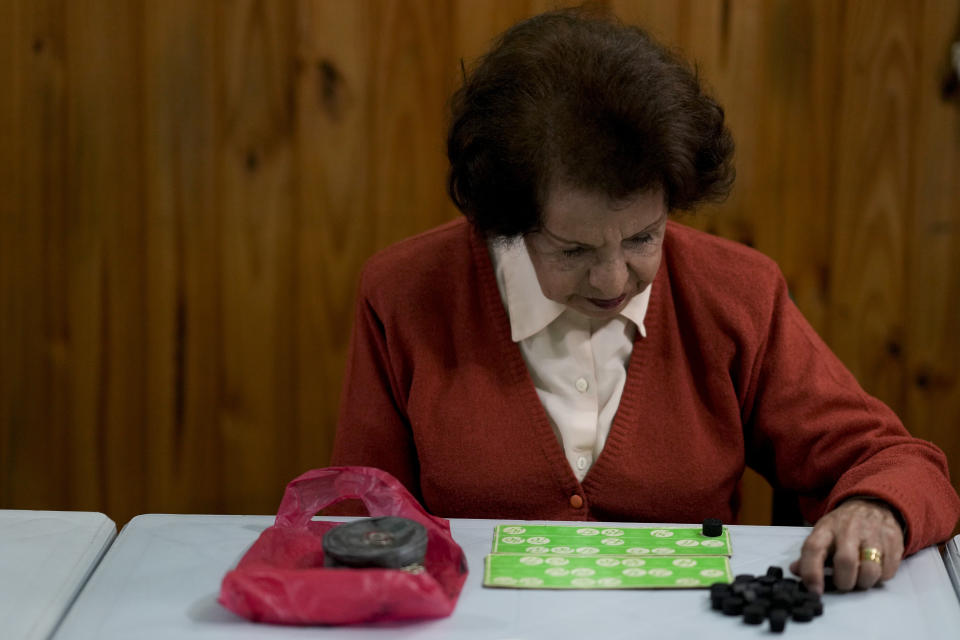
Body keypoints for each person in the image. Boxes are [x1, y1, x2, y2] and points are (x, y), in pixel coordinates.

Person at [331, 8, 960, 595]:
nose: (612, 280)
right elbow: (357, 515)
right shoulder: (406, 292)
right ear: (505, 221)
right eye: (572, 250)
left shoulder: (736, 293)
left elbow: (897, 462)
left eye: (642, 237)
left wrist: (874, 508)